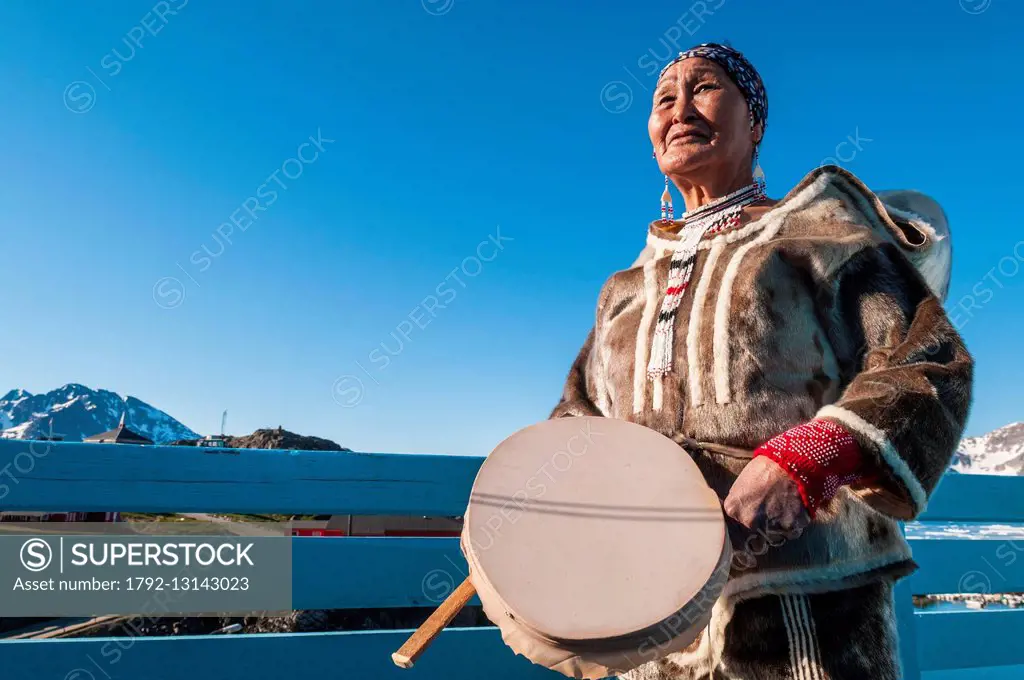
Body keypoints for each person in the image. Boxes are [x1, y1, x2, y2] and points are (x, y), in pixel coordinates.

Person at [550, 42, 972, 680]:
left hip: (808, 612)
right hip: (650, 618)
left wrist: (810, 460)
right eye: (665, 98)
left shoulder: (819, 232)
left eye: (705, 88)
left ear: (756, 124)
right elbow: (577, 420)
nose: (680, 109)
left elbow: (928, 359)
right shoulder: (626, 287)